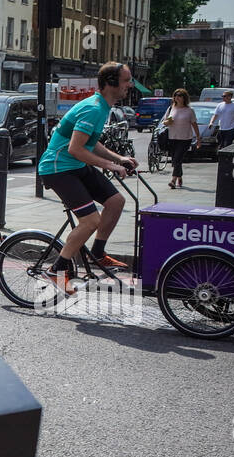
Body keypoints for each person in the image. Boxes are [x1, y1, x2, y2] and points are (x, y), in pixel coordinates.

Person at [35, 62, 138, 296]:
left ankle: (98, 254)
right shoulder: (93, 108)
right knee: (90, 221)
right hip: (58, 168)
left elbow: (91, 142)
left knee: (115, 202)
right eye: (126, 80)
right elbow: (75, 149)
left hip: (75, 166)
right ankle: (56, 271)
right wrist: (111, 165)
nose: (129, 85)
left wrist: (119, 158)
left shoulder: (101, 107)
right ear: (111, 83)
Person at [160, 88, 200, 190]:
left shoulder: (189, 110)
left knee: (177, 159)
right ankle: (179, 176)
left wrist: (198, 138)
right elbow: (164, 122)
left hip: (185, 138)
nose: (177, 97)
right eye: (175, 95)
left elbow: (194, 124)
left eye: (179, 95)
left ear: (184, 98)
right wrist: (167, 122)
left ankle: (173, 180)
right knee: (175, 160)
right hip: (173, 137)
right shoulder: (171, 108)